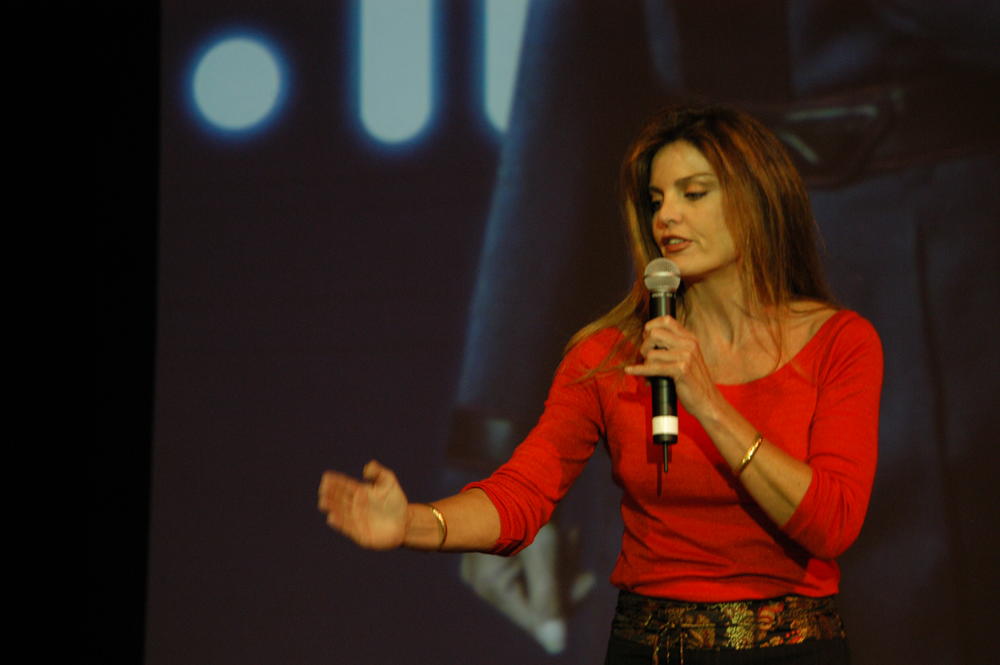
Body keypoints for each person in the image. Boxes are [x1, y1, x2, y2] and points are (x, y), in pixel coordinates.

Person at [318, 105, 883, 664]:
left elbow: (832, 524)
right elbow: (524, 493)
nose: (667, 217)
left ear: (758, 199)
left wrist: (708, 403)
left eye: (693, 193)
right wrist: (412, 522)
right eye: (656, 200)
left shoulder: (839, 343)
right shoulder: (609, 356)